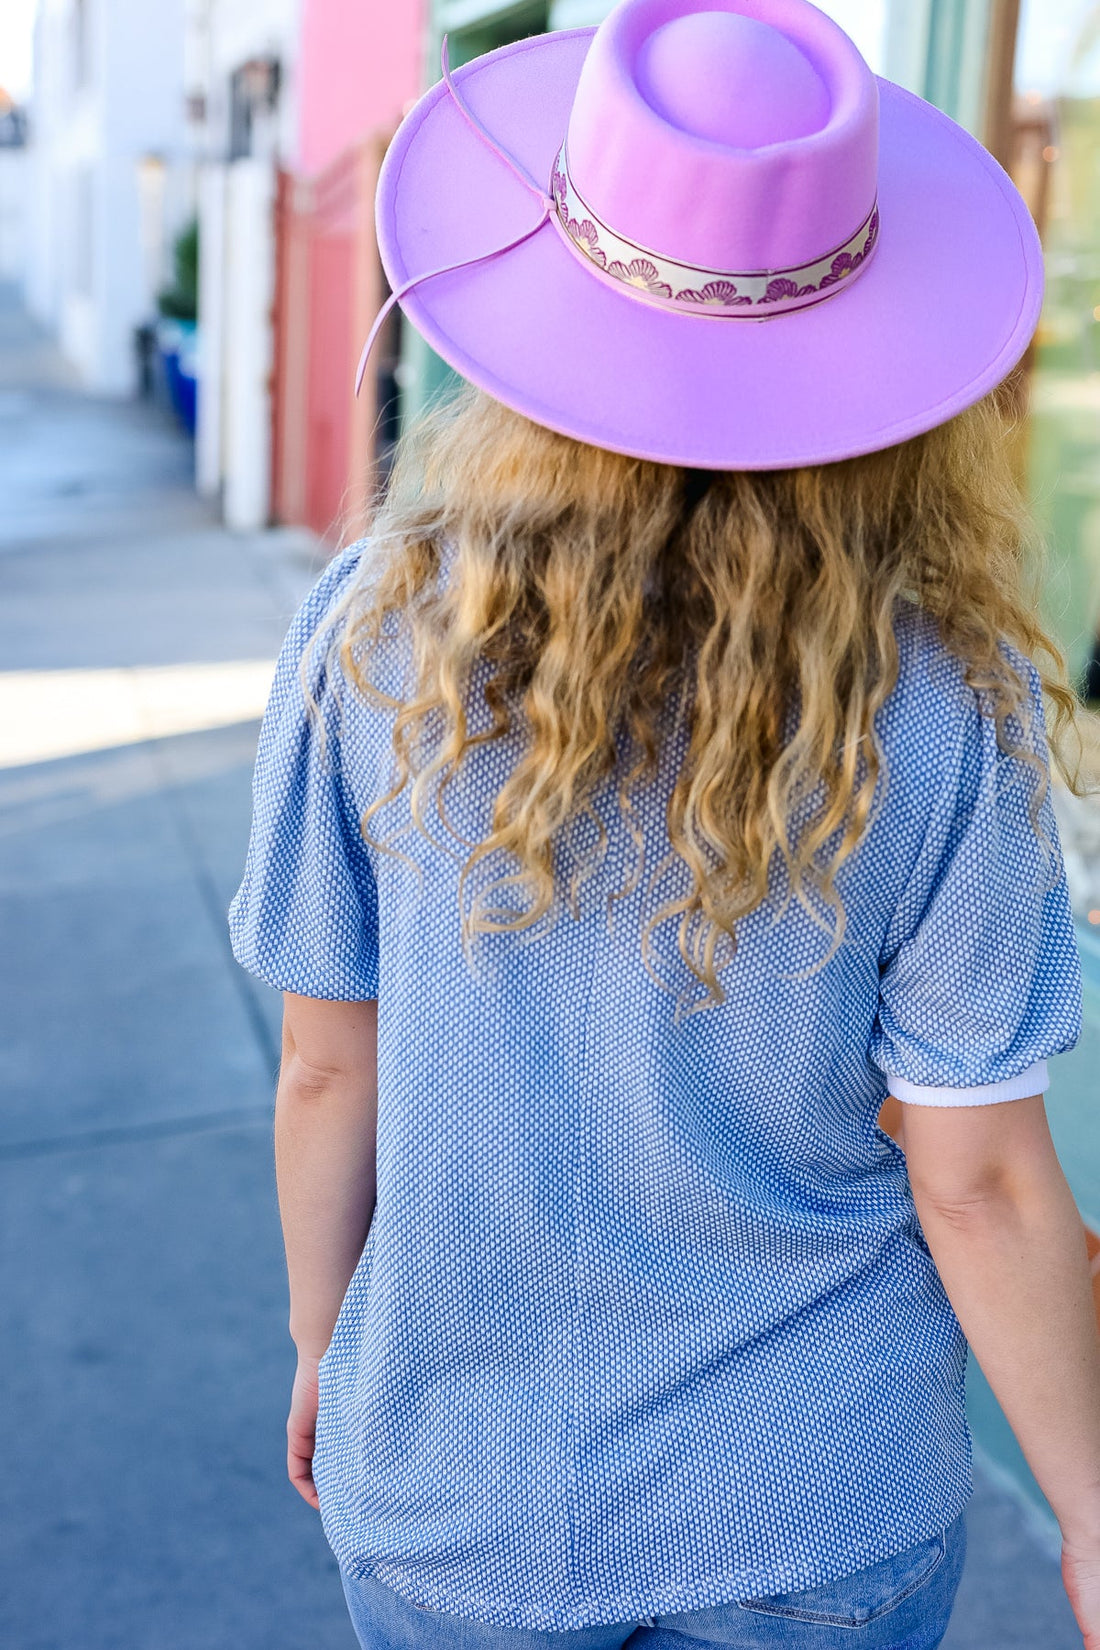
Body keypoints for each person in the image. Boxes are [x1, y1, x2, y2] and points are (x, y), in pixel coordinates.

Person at [228, 1, 1100, 1645]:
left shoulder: (374, 634)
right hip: (815, 1505)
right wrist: (1095, 1508)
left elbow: (328, 1064)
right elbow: (980, 1179)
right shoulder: (944, 697)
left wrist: (322, 1336)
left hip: (458, 1500)